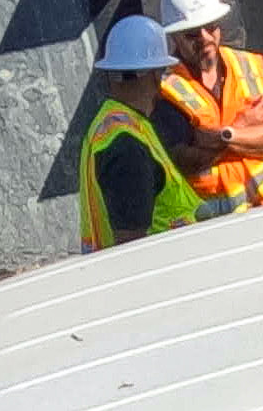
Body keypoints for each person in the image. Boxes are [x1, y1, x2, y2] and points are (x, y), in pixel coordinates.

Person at [154, 0, 263, 209]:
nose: (205, 38)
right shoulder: (167, 90)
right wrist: (244, 127)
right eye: (192, 34)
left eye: (211, 27)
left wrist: (222, 136)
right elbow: (183, 161)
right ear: (174, 37)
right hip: (218, 222)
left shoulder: (248, 66)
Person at [78, 14, 213, 248]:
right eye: (161, 73)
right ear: (151, 75)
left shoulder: (113, 127)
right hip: (164, 275)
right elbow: (131, 247)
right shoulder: (126, 145)